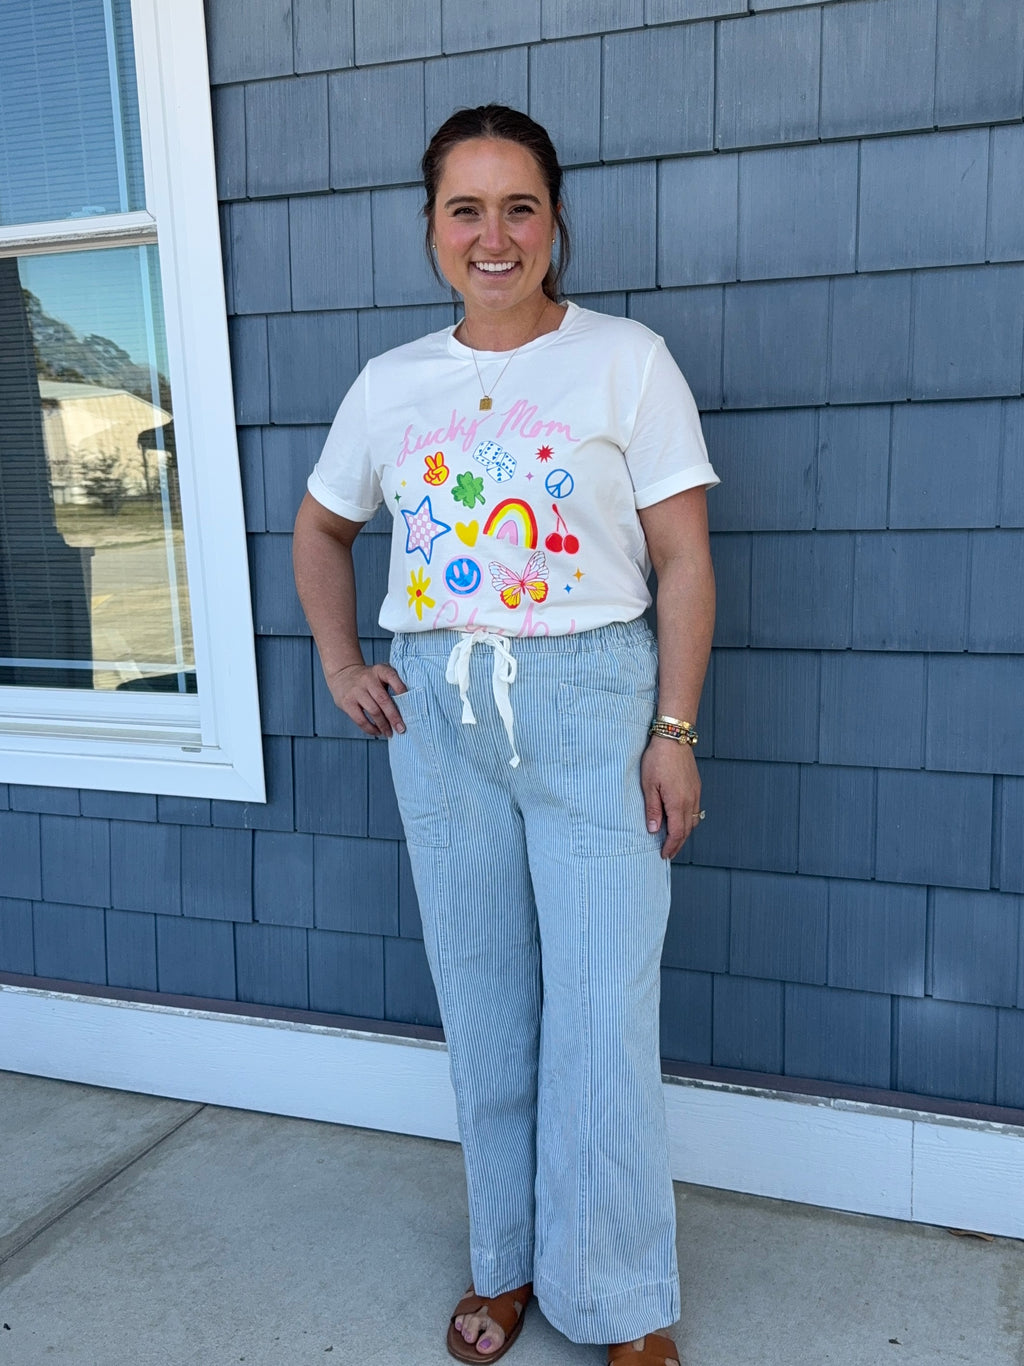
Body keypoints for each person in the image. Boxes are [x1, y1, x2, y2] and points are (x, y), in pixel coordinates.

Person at [293, 105, 718, 1366]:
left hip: (593, 702)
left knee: (601, 1013)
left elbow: (685, 557)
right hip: (438, 716)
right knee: (484, 1004)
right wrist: (340, 664)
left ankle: (620, 1297)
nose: (494, 234)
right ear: (431, 230)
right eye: (464, 209)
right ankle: (509, 1262)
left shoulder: (623, 360)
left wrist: (673, 727)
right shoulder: (390, 386)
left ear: (553, 223)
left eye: (517, 206)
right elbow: (323, 531)